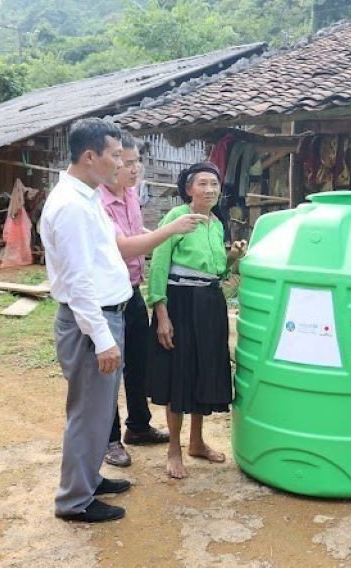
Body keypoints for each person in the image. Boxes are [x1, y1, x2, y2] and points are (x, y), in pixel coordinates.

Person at [43, 118, 202, 522]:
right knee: (88, 414)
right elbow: (79, 281)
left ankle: (88, 479)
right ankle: (74, 501)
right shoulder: (71, 206)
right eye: (116, 155)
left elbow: (107, 252)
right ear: (90, 156)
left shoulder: (87, 197)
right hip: (93, 322)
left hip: (108, 314)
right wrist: (102, 339)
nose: (121, 163)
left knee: (96, 412)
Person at [146, 162, 247, 479]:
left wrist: (233, 258)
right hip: (181, 302)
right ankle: (173, 450)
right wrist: (161, 313)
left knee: (203, 370)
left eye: (214, 184)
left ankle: (197, 442)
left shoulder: (217, 224)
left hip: (210, 303)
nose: (209, 189)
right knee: (179, 373)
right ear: (188, 189)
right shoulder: (177, 217)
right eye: (202, 183)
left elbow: (218, 273)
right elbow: (159, 263)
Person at [98, 133, 169, 468]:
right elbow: (124, 247)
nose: (134, 168)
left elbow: (137, 235)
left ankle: (138, 426)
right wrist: (170, 231)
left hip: (133, 292)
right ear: (110, 163)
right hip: (107, 299)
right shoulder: (98, 204)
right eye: (126, 162)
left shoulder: (130, 194)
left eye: (136, 161)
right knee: (109, 370)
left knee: (139, 364)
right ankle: (109, 438)